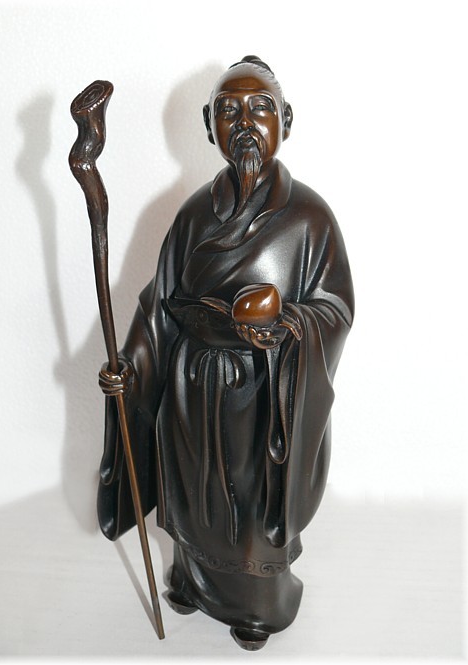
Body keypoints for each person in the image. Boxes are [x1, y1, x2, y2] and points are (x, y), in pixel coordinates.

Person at [98, 56, 354, 650]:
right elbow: (160, 306)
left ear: (286, 119)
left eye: (260, 107)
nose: (245, 123)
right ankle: (191, 579)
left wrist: (288, 324)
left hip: (263, 394)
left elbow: (336, 309)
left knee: (246, 500)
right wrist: (130, 366)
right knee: (193, 495)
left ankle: (256, 604)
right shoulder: (192, 215)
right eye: (229, 110)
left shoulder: (310, 219)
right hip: (191, 389)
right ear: (208, 125)